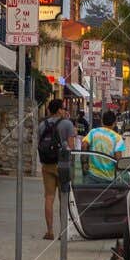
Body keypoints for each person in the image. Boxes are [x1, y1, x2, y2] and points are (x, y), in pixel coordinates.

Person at [37, 98, 79, 239]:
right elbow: (71, 147)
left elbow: (39, 143)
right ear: (60, 110)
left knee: (49, 197)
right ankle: (63, 231)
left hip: (47, 164)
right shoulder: (67, 124)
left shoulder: (42, 125)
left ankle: (49, 231)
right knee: (64, 197)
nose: (65, 110)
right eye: (63, 108)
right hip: (63, 165)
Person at [83, 110, 123, 182]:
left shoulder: (93, 132)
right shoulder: (117, 138)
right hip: (108, 178)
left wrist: (85, 162)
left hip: (92, 175)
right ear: (114, 123)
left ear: (102, 121)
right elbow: (118, 159)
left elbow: (84, 145)